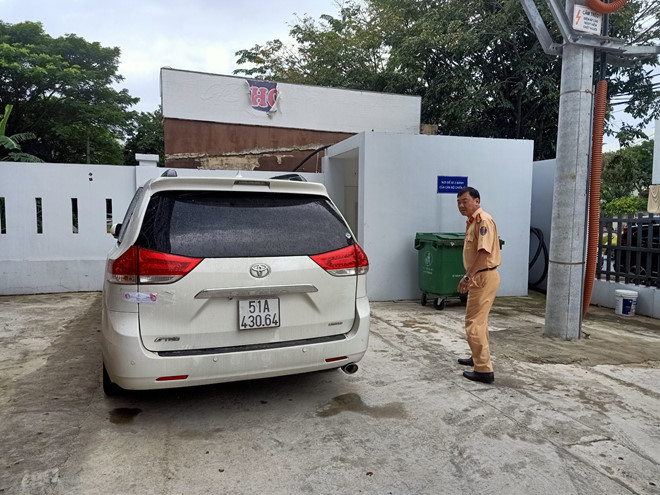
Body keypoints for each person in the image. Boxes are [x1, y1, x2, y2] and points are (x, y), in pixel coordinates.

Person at [456, 186, 501, 384]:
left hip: (482, 277)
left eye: (465, 201)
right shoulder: (473, 222)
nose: (461, 205)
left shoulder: (483, 220)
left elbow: (484, 253)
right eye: (458, 202)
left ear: (477, 201)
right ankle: (477, 357)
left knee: (473, 323)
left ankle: (483, 370)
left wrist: (468, 277)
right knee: (479, 322)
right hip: (480, 277)